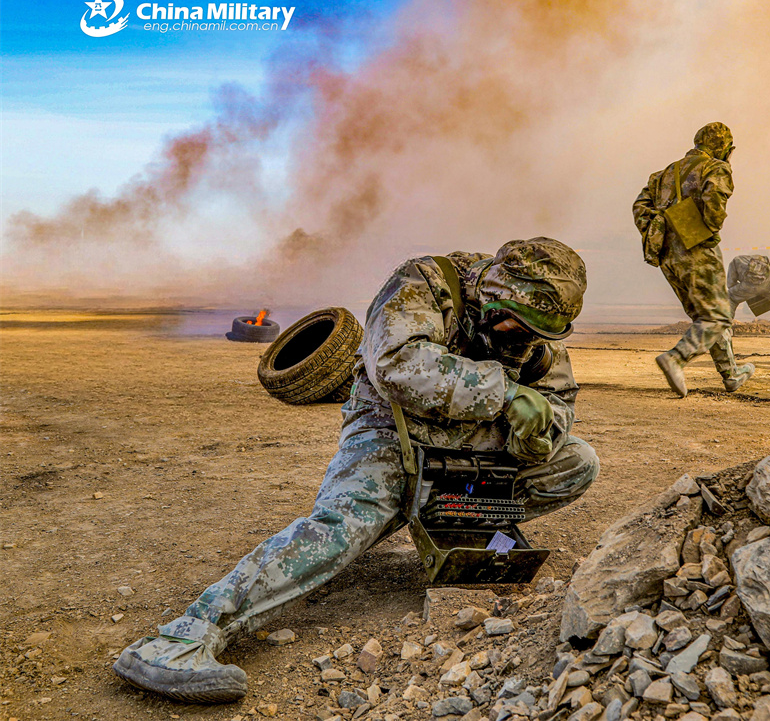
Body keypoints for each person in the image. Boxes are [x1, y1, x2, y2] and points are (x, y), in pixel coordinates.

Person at [114, 238, 599, 703]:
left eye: (538, 334)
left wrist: (537, 429)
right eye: (515, 326)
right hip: (391, 429)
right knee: (339, 528)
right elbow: (395, 363)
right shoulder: (427, 283)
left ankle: (430, 510)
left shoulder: (539, 328)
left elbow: (559, 402)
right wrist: (507, 394)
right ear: (494, 297)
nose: (525, 341)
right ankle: (184, 638)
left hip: (470, 440)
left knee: (577, 462)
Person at [633, 122, 754, 398]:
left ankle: (731, 373)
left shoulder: (663, 174)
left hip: (667, 255)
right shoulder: (715, 167)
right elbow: (715, 201)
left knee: (706, 315)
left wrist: (660, 230)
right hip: (697, 250)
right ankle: (676, 358)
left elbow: (639, 206)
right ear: (723, 147)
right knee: (718, 314)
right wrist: (708, 230)